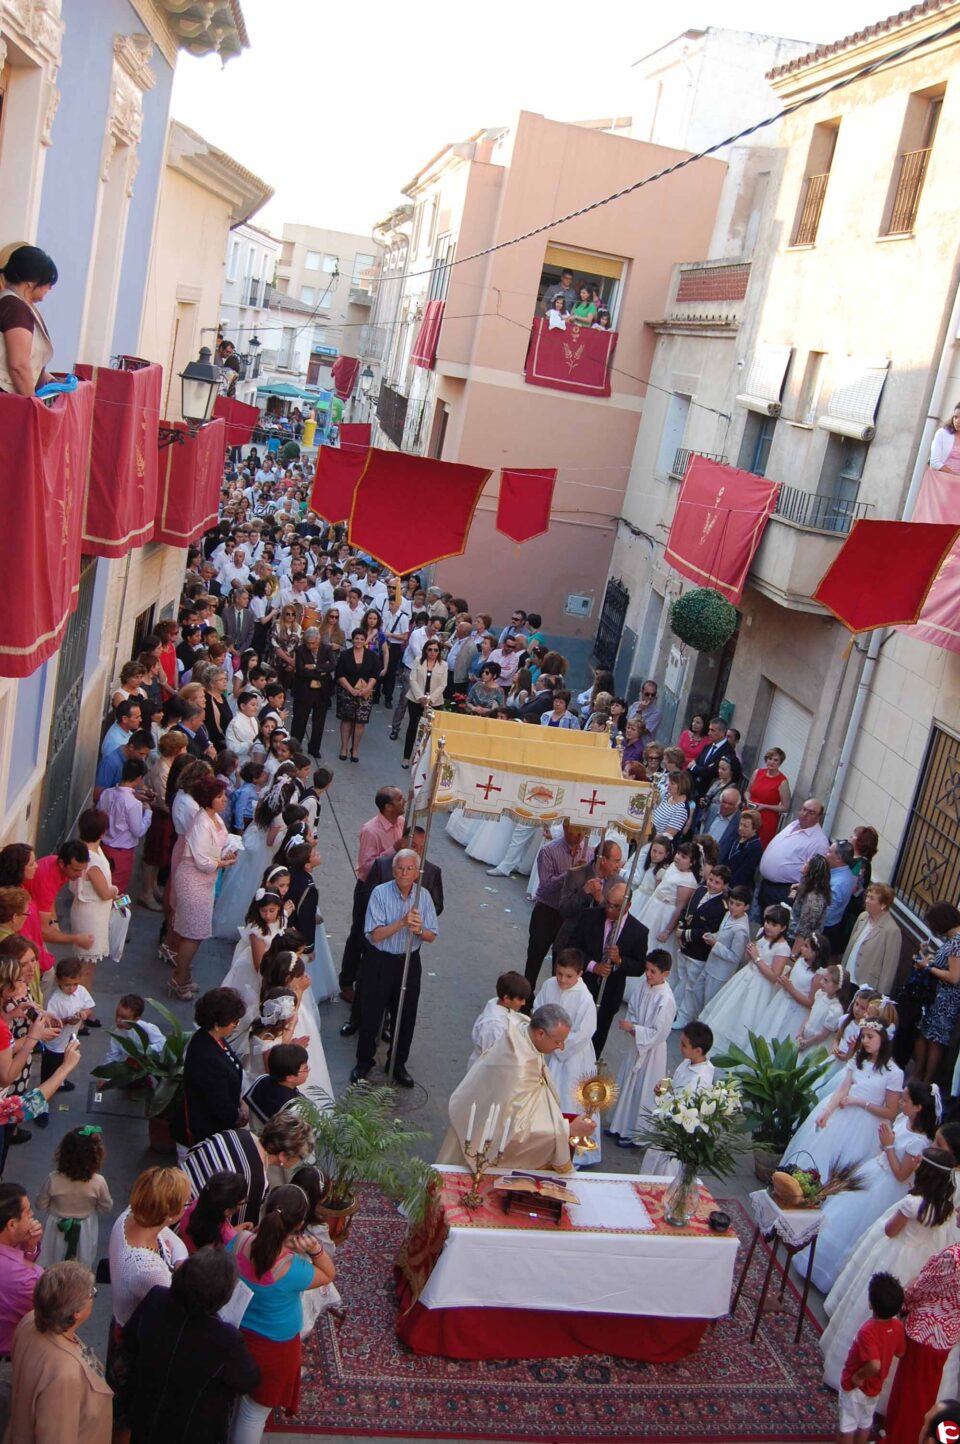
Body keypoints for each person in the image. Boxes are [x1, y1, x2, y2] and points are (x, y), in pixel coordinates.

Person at [820, 1149, 958, 1394]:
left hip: (897, 1255)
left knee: (873, 1305)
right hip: (923, 1258)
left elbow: (891, 1231)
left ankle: (854, 1364)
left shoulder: (912, 1203)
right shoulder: (946, 1208)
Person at [226, 1184, 336, 1444]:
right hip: (274, 1348)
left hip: (235, 1333)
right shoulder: (293, 1269)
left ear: (265, 1210)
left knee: (234, 1400)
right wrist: (316, 1250)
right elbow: (328, 1274)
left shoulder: (238, 1241)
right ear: (299, 1224)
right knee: (253, 1414)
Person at [809, 1079, 940, 1295]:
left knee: (858, 1226)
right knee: (844, 1211)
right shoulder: (901, 1119)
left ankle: (835, 1279)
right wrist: (885, 1144)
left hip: (888, 1186)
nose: (900, 1103)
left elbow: (901, 1174)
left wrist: (888, 1145)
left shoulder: (920, 1142)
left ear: (918, 1107)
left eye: (905, 1100)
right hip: (875, 1170)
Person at [121, 1247, 259, 1444]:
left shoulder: (156, 1298)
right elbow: (248, 1379)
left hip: (145, 1412)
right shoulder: (226, 1338)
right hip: (192, 1428)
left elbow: (131, 1339)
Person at [438, 1004, 596, 1172]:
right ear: (540, 1034)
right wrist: (567, 1130)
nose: (561, 1048)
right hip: (482, 1143)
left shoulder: (523, 1032)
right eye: (558, 1042)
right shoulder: (517, 1066)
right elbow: (515, 1131)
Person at [351, 849, 439, 1088]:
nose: (404, 873)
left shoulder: (424, 897)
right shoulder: (380, 893)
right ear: (393, 870)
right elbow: (375, 934)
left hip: (409, 961)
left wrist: (419, 929)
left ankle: (397, 1063)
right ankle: (364, 1061)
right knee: (372, 1011)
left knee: (405, 1015)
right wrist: (402, 922)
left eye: (410, 869)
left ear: (417, 872)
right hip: (380, 960)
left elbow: (432, 935)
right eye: (400, 868)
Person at [7, 1260, 113, 1444]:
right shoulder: (65, 1374)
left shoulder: (30, 1320)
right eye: (91, 1293)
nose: (93, 1296)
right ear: (76, 1313)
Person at [785, 1020, 903, 1176]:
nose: (865, 1041)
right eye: (863, 1036)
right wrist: (827, 1112)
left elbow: (891, 1112)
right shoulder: (858, 1060)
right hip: (842, 1113)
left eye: (870, 1037)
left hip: (866, 1126)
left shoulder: (894, 1073)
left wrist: (860, 1102)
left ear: (883, 1039)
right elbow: (842, 1089)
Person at [169, 776, 238, 997]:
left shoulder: (214, 817)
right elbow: (203, 861)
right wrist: (222, 862)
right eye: (219, 796)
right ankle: (179, 978)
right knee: (193, 932)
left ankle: (184, 974)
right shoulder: (201, 823)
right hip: (193, 879)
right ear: (209, 799)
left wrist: (224, 855)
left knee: (194, 930)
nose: (224, 799)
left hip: (206, 880)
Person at [884, 1245, 960, 1444]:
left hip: (927, 1332)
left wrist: (903, 1302)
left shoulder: (953, 1257)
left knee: (910, 1395)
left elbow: (921, 1288)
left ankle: (900, 1438)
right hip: (947, 1332)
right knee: (923, 1392)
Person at [337, 786, 406, 1004]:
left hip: (393, 889)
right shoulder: (371, 830)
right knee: (360, 934)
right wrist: (393, 849)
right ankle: (347, 982)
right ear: (387, 806)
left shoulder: (402, 823)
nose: (404, 802)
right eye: (400, 799)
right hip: (370, 888)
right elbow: (366, 867)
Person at [183, 1113, 313, 1227]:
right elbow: (238, 1225)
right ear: (283, 1155)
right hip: (183, 1224)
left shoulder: (234, 1133)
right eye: (300, 1157)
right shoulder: (256, 1182)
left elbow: (190, 1155)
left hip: (170, 1191)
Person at [700, 902, 792, 1055]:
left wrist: (756, 958)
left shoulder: (783, 948)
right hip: (745, 977)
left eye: (774, 924)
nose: (768, 926)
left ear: (783, 928)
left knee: (745, 1020)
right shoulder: (763, 934)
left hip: (760, 988)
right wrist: (750, 954)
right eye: (768, 922)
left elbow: (774, 976)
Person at [607, 951, 678, 1147]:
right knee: (627, 1082)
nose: (648, 974)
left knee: (642, 1089)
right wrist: (632, 1025)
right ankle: (619, 1124)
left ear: (666, 973)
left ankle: (635, 1133)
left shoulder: (666, 999)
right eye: (647, 970)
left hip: (652, 1051)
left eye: (653, 971)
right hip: (636, 1044)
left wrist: (636, 1029)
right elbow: (633, 1007)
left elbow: (659, 1032)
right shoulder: (645, 986)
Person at [572, 880, 649, 1057]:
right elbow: (573, 947)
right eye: (608, 903)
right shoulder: (590, 916)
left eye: (615, 906)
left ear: (627, 905)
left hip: (609, 995)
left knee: (597, 1038)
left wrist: (620, 961)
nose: (609, 909)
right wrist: (593, 966)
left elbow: (639, 967)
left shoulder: (638, 931)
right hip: (584, 986)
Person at [171, 989, 246, 1155]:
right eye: (234, 1022)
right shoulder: (207, 1057)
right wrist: (237, 1115)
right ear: (218, 1024)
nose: (236, 1026)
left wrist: (239, 1102)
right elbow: (219, 1103)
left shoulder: (210, 1038)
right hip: (202, 1137)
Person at [835, 1271, 905, 1444]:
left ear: (870, 1304)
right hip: (875, 1387)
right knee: (865, 1422)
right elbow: (900, 1352)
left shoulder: (868, 1331)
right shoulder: (897, 1327)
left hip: (856, 1387)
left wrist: (858, 1376)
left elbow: (874, 1364)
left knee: (848, 1426)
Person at [640, 1021, 716, 1175]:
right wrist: (666, 1084)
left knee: (664, 1171)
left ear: (698, 1050)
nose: (679, 1047)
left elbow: (681, 1108)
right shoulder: (690, 1061)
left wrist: (663, 1095)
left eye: (683, 1045)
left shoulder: (699, 1080)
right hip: (667, 1126)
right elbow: (677, 1082)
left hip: (676, 1135)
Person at [37, 1126, 112, 1267]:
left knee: (53, 1260)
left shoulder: (53, 1179)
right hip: (84, 1229)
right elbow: (106, 1207)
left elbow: (40, 1204)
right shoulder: (99, 1182)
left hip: (56, 1228)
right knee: (81, 1262)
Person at [533, 950, 597, 1116]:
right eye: (559, 974)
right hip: (546, 1045)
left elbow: (584, 1031)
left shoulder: (584, 998)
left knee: (567, 1096)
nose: (562, 980)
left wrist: (558, 1045)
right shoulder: (549, 985)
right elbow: (538, 1009)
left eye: (569, 976)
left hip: (572, 1054)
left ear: (579, 974)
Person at [673, 863, 730, 1027]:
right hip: (685, 945)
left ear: (724, 886)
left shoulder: (721, 907)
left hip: (699, 951)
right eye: (711, 879)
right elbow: (687, 911)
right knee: (681, 978)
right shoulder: (699, 891)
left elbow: (707, 930)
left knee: (691, 985)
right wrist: (681, 927)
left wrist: (685, 934)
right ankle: (674, 1009)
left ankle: (684, 1017)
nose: (712, 884)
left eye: (717, 882)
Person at [912, 900, 960, 1084]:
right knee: (926, 1035)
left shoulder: (956, 943)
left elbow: (954, 977)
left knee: (934, 1040)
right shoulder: (954, 940)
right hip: (939, 998)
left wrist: (927, 967)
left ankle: (925, 1080)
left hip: (945, 1000)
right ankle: (921, 1076)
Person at [0, 245, 58, 394]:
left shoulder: (15, 303)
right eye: (48, 282)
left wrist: (52, 381)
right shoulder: (15, 308)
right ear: (32, 281)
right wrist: (31, 405)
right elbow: (18, 366)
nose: (49, 288)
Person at [757, 799, 830, 911]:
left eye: (811, 812)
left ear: (819, 817)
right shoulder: (794, 824)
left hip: (784, 890)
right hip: (767, 884)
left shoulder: (819, 842)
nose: (805, 814)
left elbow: (813, 875)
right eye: (804, 809)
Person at [42, 958, 95, 1089]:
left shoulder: (81, 991)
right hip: (54, 1045)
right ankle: (45, 1093)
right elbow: (50, 1024)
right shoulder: (55, 1000)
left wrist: (84, 1014)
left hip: (69, 1041)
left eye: (75, 984)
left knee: (65, 1065)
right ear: (58, 981)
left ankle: (60, 1082)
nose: (72, 988)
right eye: (67, 985)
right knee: (50, 1070)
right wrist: (67, 1020)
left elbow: (88, 1008)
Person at [841, 883, 902, 994]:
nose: (867, 901)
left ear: (883, 904)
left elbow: (889, 968)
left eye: (872, 898)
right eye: (867, 896)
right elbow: (850, 946)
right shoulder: (863, 917)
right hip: (847, 977)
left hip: (865, 986)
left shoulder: (892, 930)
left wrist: (880, 995)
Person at [334, 628, 380, 762]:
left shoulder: (372, 656)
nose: (359, 641)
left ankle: (355, 749)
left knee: (360, 722)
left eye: (361, 639)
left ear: (365, 640)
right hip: (347, 692)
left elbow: (375, 675)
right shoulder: (345, 655)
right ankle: (344, 747)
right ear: (352, 639)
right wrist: (350, 689)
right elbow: (340, 674)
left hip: (365, 694)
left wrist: (367, 688)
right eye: (356, 638)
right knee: (346, 720)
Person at [468, 972, 531, 1068]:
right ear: (506, 998)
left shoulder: (499, 1006)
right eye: (520, 999)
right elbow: (495, 1059)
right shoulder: (493, 1026)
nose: (523, 1003)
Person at [402, 638, 448, 767]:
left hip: (434, 702)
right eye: (430, 650)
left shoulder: (444, 665)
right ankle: (406, 757)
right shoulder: (418, 661)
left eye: (436, 650)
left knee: (429, 730)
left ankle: (424, 760)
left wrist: (429, 699)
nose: (433, 652)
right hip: (415, 699)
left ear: (439, 652)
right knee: (413, 726)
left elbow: (443, 685)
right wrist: (420, 697)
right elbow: (412, 679)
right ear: (425, 651)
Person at [290, 627, 335, 758]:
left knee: (319, 722)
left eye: (313, 643)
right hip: (304, 691)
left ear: (318, 641)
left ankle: (314, 748)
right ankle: (295, 748)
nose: (311, 646)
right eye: (308, 643)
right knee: (299, 721)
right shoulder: (300, 650)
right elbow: (301, 670)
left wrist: (315, 667)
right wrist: (321, 672)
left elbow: (332, 665)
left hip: (322, 692)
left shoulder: (326, 649)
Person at [746, 747, 791, 850]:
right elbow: (747, 791)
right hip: (749, 813)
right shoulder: (758, 772)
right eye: (770, 758)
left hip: (766, 820)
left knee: (756, 849)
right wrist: (748, 800)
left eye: (776, 760)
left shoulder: (782, 782)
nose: (772, 762)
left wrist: (764, 806)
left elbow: (785, 807)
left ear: (780, 763)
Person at [822, 840, 858, 953]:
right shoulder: (841, 873)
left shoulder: (839, 882)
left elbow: (828, 910)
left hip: (824, 927)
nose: (825, 853)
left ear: (838, 858)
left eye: (829, 852)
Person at [929, 399, 960, 471]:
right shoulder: (942, 433)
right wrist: (956, 476)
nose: (957, 421)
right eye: (955, 417)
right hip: (941, 479)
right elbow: (934, 462)